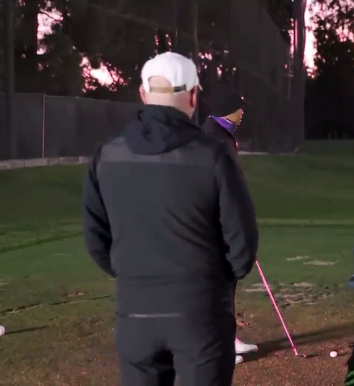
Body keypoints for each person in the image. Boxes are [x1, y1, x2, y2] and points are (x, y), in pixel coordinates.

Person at [82, 52, 259, 385]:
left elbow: (96, 239)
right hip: (201, 315)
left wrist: (134, 275)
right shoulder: (214, 154)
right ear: (193, 95)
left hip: (136, 314)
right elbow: (242, 244)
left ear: (144, 95)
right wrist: (216, 284)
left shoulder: (108, 153)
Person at [201, 90, 258, 364]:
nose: (243, 113)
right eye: (239, 109)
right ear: (227, 110)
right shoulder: (212, 137)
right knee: (216, 286)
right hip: (215, 226)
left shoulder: (221, 134)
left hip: (224, 223)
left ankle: (228, 340)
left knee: (227, 285)